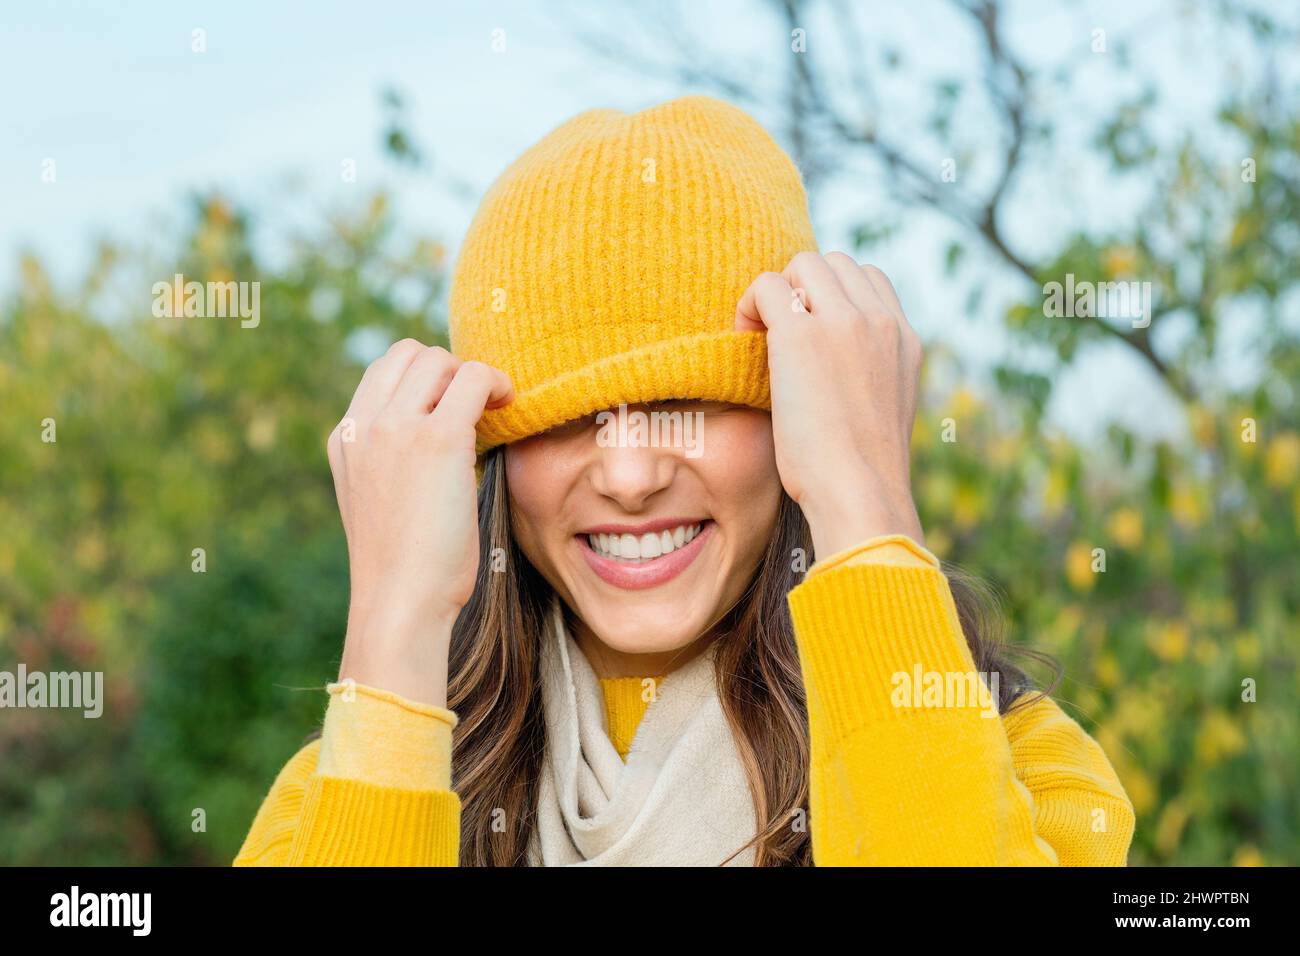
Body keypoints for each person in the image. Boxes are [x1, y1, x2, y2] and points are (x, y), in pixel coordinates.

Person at [235, 95, 1134, 866]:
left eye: (690, 401)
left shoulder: (1014, 761)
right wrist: (396, 618)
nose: (630, 475)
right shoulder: (339, 791)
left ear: (798, 411)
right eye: (564, 417)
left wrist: (865, 504)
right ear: (491, 452)